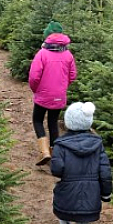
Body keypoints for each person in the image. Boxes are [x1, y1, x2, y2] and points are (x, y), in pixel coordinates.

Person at [50, 102, 113, 224]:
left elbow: (57, 170)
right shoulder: (97, 144)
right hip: (91, 194)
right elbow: (105, 171)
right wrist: (106, 193)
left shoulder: (61, 145)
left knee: (61, 212)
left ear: (69, 122)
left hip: (67, 191)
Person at [29, 27, 77, 166]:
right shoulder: (68, 55)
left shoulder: (42, 54)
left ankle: (44, 152)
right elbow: (72, 75)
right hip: (59, 95)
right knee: (53, 122)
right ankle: (55, 154)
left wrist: (35, 89)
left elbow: (34, 76)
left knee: (37, 120)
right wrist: (62, 87)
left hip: (43, 95)